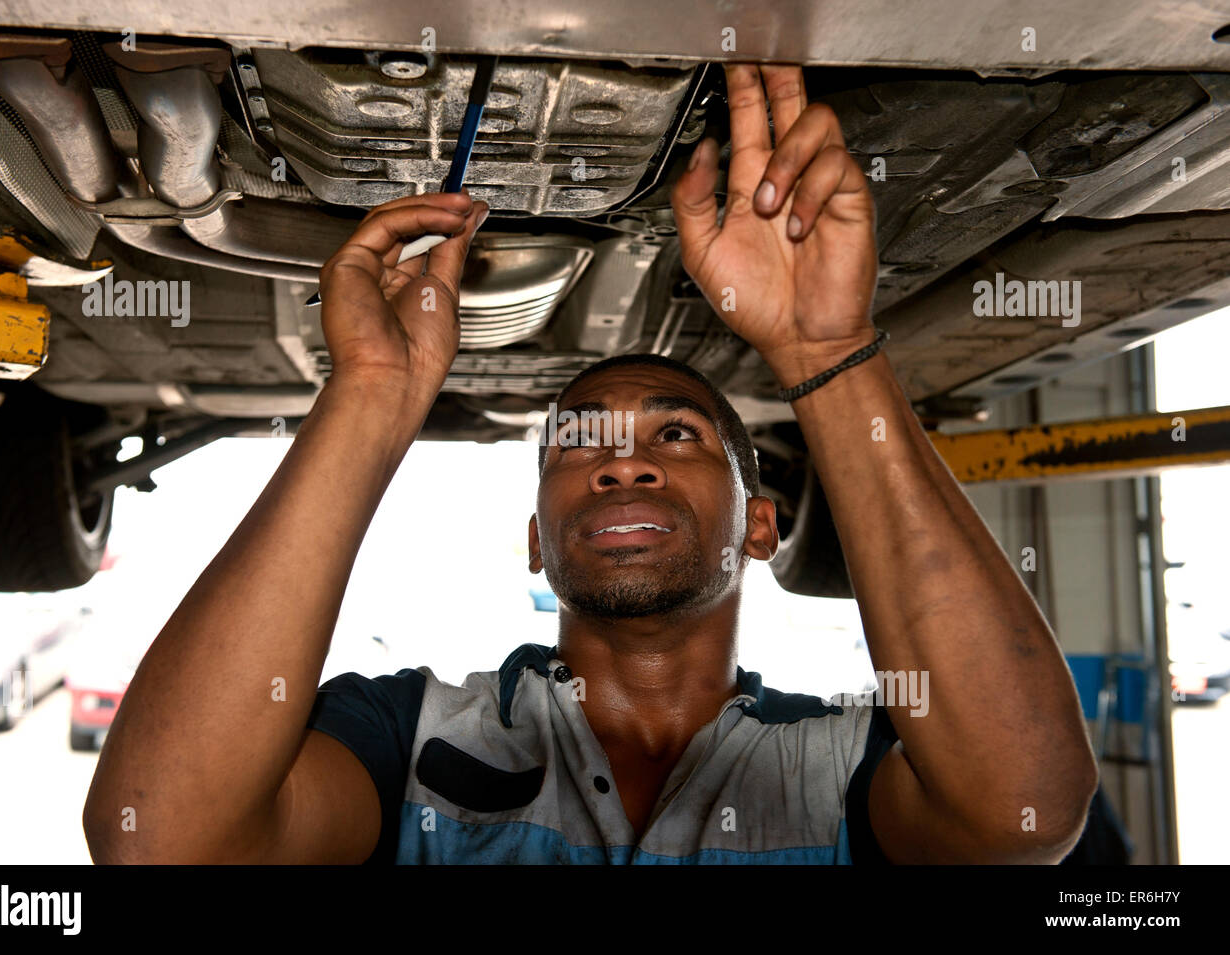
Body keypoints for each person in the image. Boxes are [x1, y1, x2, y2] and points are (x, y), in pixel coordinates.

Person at [83, 63, 1097, 864]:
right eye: (578, 443)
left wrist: (826, 352)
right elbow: (158, 839)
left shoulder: (832, 761)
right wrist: (369, 395)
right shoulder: (409, 736)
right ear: (536, 540)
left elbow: (1024, 814)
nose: (620, 464)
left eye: (676, 434)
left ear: (759, 524)